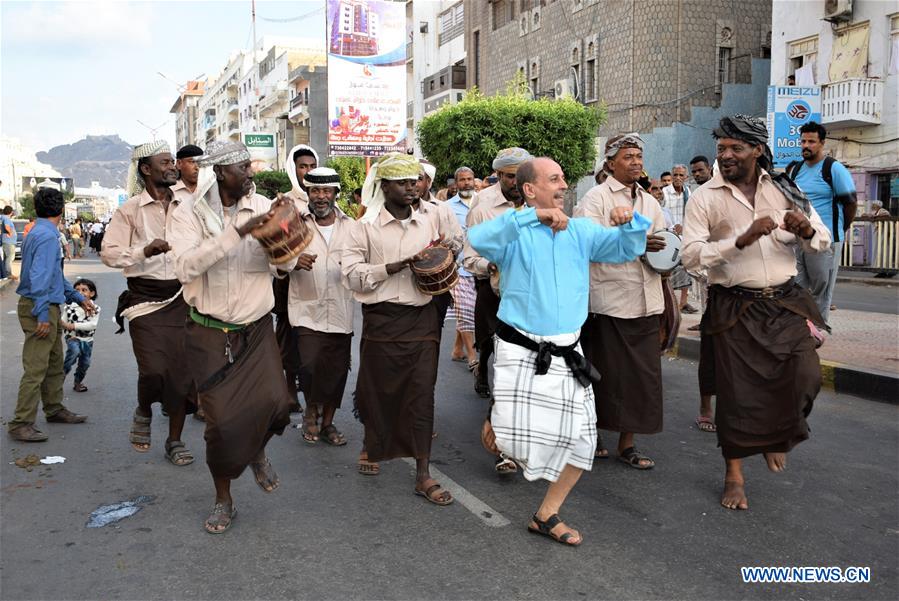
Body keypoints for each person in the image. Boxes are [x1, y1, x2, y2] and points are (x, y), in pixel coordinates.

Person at [469, 157, 650, 545]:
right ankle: (498, 421)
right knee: (513, 443)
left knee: (583, 441)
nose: (564, 185)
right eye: (555, 179)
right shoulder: (514, 231)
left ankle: (546, 514)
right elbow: (480, 241)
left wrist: (628, 219)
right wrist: (535, 218)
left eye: (565, 178)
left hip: (569, 352)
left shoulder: (581, 231)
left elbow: (625, 249)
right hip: (520, 349)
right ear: (530, 189)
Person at [682, 115, 830, 511]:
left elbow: (822, 239)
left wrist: (805, 231)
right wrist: (738, 241)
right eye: (721, 149)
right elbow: (691, 256)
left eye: (736, 148)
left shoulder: (785, 188)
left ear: (757, 150)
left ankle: (774, 439)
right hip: (734, 306)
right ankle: (734, 474)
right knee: (736, 394)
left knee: (805, 377)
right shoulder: (705, 197)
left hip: (783, 302)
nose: (726, 156)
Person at [170, 140, 296, 533]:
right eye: (243, 168)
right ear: (221, 172)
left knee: (277, 404)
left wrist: (281, 237)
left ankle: (256, 449)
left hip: (257, 327)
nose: (251, 174)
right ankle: (224, 499)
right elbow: (185, 267)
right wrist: (236, 232)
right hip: (209, 331)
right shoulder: (187, 212)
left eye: (250, 166)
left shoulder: (262, 206)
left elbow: (287, 264)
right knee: (221, 427)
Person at [341, 152, 452, 504]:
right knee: (379, 391)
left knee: (421, 394)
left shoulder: (430, 219)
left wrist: (443, 254)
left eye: (415, 181)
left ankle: (423, 473)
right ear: (383, 186)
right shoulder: (364, 226)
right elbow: (351, 273)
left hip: (422, 318)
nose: (412, 188)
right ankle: (371, 444)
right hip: (382, 320)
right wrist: (394, 266)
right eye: (403, 183)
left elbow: (454, 247)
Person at [576, 134, 668, 468]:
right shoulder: (595, 199)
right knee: (607, 376)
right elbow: (591, 246)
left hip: (646, 301)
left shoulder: (650, 202)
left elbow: (664, 245)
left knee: (642, 379)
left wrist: (664, 256)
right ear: (610, 162)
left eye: (639, 156)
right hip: (609, 303)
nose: (636, 162)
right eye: (628, 156)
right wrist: (636, 242)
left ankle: (628, 444)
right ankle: (595, 433)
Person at [101, 140, 195, 464]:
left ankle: (175, 440)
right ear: (146, 169)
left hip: (182, 297)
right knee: (153, 371)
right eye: (166, 162)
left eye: (174, 162)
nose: (173, 167)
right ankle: (144, 409)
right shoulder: (128, 210)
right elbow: (109, 253)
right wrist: (143, 251)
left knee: (182, 376)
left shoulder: (189, 206)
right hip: (144, 300)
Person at [9, 187, 95, 442]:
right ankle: (20, 423)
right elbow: (39, 278)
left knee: (55, 364)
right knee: (36, 368)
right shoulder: (47, 237)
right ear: (61, 209)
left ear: (36, 209)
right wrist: (43, 315)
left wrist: (78, 297)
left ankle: (54, 409)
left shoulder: (41, 231)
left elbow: (54, 276)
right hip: (41, 306)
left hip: (47, 305)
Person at [287, 168, 355, 445]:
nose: (321, 196)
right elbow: (274, 258)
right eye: (315, 191)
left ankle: (327, 422)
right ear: (308, 194)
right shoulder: (294, 224)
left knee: (336, 371)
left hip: (341, 309)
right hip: (306, 309)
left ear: (336, 193)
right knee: (310, 365)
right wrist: (293, 262)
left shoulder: (352, 226)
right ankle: (311, 409)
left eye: (327, 191)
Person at [463, 147, 532, 405]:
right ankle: (483, 369)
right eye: (511, 176)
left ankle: (511, 396)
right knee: (491, 339)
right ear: (499, 175)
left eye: (522, 176)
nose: (517, 182)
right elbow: (470, 256)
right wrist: (490, 265)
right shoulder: (483, 205)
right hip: (492, 285)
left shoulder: (536, 201)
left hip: (526, 287)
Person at [787, 121, 857, 324]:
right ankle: (800, 328)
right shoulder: (795, 170)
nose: (806, 145)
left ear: (822, 143)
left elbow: (850, 203)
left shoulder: (833, 168)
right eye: (803, 141)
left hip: (826, 240)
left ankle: (818, 330)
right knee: (797, 286)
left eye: (811, 141)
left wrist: (838, 231)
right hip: (799, 239)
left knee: (821, 289)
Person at [275, 143, 320, 412]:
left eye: (312, 166)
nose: (308, 171)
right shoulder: (283, 202)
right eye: (303, 166)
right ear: (293, 169)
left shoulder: (327, 195)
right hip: (289, 280)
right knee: (290, 337)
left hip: (319, 279)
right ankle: (290, 389)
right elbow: (275, 243)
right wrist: (292, 260)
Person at [447, 167, 479, 370]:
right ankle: (472, 357)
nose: (466, 183)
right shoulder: (447, 207)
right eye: (462, 180)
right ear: (455, 184)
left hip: (482, 266)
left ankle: (458, 349)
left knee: (470, 310)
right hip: (460, 268)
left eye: (470, 179)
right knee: (466, 309)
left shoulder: (484, 202)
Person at [662, 164, 697, 314]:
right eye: (675, 175)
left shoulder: (688, 192)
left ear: (686, 178)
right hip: (668, 237)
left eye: (681, 175)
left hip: (683, 238)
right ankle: (668, 302)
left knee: (685, 269)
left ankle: (683, 302)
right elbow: (659, 211)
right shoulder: (664, 192)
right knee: (667, 270)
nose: (677, 178)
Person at [61, 278, 100, 393]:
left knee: (85, 364)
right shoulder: (69, 307)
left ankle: (78, 382)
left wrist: (73, 326)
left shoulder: (95, 308)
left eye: (84, 290)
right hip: (73, 338)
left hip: (87, 340)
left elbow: (92, 325)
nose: (80, 293)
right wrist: (67, 327)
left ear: (91, 293)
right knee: (74, 352)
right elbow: (63, 322)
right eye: (77, 290)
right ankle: (62, 374)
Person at [2, 205, 18, 280]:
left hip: (6, 241)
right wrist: (10, 233)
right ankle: (8, 273)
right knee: (10, 257)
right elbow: (7, 227)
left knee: (6, 257)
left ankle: (5, 273)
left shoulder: (2, 218)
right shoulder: (6, 219)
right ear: (11, 212)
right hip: (9, 241)